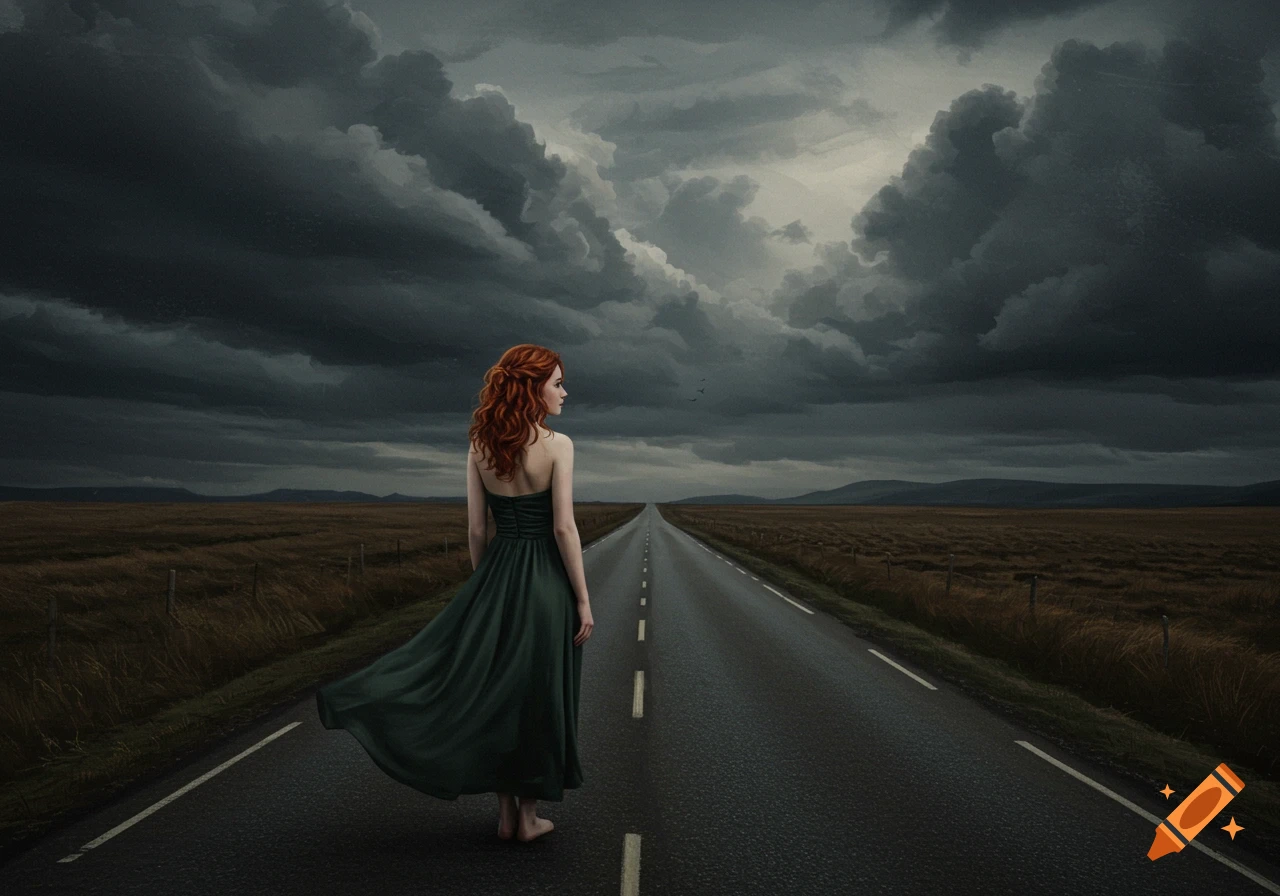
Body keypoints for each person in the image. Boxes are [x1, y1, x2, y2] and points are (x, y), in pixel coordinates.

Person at [316, 343, 594, 844]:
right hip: (545, 585)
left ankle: (507, 816)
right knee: (536, 696)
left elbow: (475, 531)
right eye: (557, 383)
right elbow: (564, 530)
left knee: (496, 691)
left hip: (497, 575)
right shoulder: (559, 445)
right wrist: (583, 600)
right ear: (532, 388)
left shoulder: (480, 446)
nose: (564, 392)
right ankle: (528, 820)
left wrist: (485, 587)